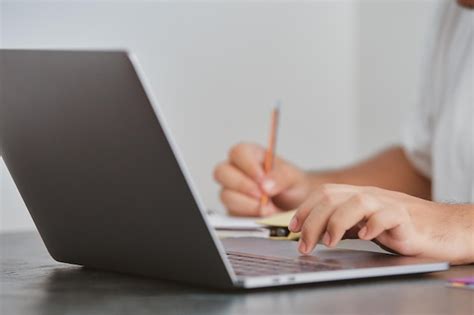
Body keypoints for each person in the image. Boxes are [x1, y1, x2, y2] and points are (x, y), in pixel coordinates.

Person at [213, 0, 474, 265]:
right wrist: (309, 198)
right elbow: (428, 168)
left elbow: (447, 218)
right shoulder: (458, 12)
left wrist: (459, 224)